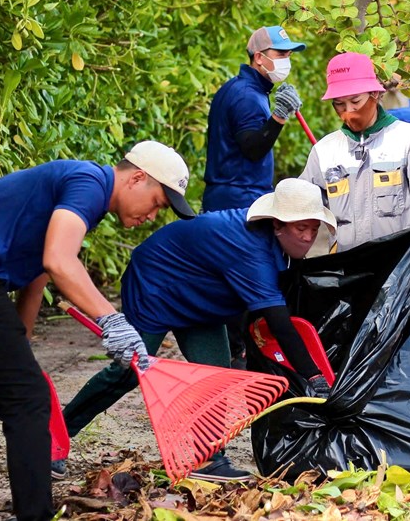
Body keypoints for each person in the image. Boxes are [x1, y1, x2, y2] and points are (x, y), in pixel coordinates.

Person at [0, 142, 196, 521]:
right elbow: (58, 260)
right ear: (137, 177)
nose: (154, 214)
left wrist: (19, 344)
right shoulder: (89, 183)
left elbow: (38, 276)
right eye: (157, 201)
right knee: (29, 402)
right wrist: (113, 320)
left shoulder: (82, 193)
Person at [58, 178, 336, 482]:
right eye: (300, 229)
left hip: (201, 297)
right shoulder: (251, 250)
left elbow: (252, 301)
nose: (308, 237)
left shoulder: (274, 246)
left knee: (217, 379)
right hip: (157, 284)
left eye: (313, 228)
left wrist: (241, 343)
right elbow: (279, 325)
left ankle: (207, 459)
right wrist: (315, 377)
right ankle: (56, 437)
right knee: (126, 371)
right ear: (277, 225)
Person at [299, 52, 410, 252]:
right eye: (339, 104)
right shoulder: (324, 151)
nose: (348, 110)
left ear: (375, 94)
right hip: (347, 270)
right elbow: (302, 200)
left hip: (400, 266)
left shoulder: (407, 139)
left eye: (355, 101)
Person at [203, 25, 306, 212]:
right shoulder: (247, 96)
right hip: (239, 201)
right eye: (281, 54)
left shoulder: (242, 88)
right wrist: (279, 116)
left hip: (229, 197)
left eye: (289, 55)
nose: (286, 61)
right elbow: (252, 149)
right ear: (259, 57)